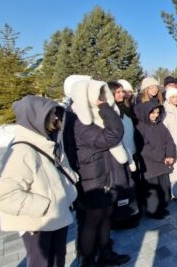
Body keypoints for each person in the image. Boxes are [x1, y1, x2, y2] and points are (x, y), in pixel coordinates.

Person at [0, 96, 78, 267]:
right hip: (38, 223)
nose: (55, 118)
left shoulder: (46, 142)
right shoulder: (21, 151)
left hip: (55, 217)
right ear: (34, 116)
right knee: (42, 263)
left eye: (56, 113)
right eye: (51, 114)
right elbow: (3, 197)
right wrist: (45, 206)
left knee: (57, 259)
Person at [70, 80, 131, 266]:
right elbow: (112, 135)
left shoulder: (96, 116)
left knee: (106, 215)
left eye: (104, 96)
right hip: (93, 178)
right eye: (100, 97)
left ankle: (106, 252)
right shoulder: (80, 120)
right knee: (92, 219)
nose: (103, 100)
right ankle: (87, 259)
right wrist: (106, 108)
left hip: (108, 174)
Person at [134, 101, 177, 219]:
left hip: (164, 163)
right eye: (152, 113)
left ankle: (162, 206)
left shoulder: (160, 124)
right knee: (153, 189)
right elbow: (144, 148)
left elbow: (169, 140)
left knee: (163, 185)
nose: (155, 115)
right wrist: (162, 157)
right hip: (150, 165)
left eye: (157, 112)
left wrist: (170, 155)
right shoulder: (139, 128)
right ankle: (153, 211)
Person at [107, 82, 139, 229]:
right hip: (120, 154)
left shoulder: (126, 108)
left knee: (132, 184)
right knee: (122, 187)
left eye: (122, 91)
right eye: (117, 92)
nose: (121, 94)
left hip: (132, 150)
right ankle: (121, 219)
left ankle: (132, 213)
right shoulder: (109, 112)